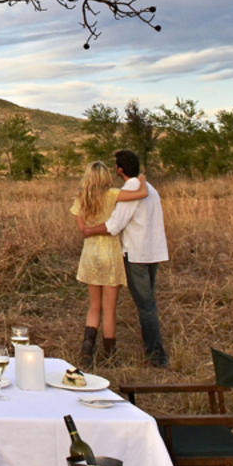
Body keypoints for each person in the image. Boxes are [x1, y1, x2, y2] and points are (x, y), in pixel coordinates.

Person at [80, 150, 170, 368]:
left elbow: (114, 225)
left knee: (144, 305)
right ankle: (125, 353)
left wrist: (90, 231)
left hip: (135, 253)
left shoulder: (129, 190)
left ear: (119, 170)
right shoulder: (148, 188)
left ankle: (156, 355)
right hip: (153, 252)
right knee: (146, 303)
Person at [70, 161, 148, 368]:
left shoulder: (81, 199)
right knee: (109, 309)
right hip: (110, 253)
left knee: (94, 306)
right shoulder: (112, 195)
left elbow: (82, 228)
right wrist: (141, 178)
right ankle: (109, 355)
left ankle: (87, 354)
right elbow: (141, 194)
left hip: (90, 254)